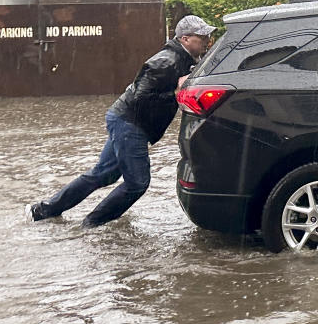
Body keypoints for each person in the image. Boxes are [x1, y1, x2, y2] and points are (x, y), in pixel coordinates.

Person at [25, 15, 216, 228]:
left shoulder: (186, 60)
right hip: (129, 124)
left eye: (207, 36)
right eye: (202, 37)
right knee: (137, 183)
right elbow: (142, 98)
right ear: (185, 38)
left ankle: (44, 210)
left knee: (103, 174)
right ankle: (92, 225)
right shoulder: (166, 61)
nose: (207, 41)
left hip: (127, 122)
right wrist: (175, 92)